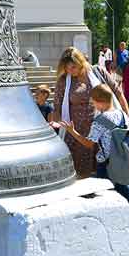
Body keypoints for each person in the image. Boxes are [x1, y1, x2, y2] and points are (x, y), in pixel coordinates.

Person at [59, 83, 129, 219]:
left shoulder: (100, 120)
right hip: (124, 156)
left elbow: (89, 144)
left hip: (107, 161)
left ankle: (111, 217)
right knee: (124, 186)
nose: (93, 105)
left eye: (93, 102)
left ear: (100, 101)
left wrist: (72, 132)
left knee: (103, 190)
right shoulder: (121, 114)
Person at [52, 47, 103, 179]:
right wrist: (56, 124)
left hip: (96, 130)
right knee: (78, 174)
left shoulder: (95, 73)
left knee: (98, 173)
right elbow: (57, 107)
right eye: (67, 68)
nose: (70, 71)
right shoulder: (63, 81)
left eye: (73, 67)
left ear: (80, 62)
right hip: (75, 132)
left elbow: (114, 93)